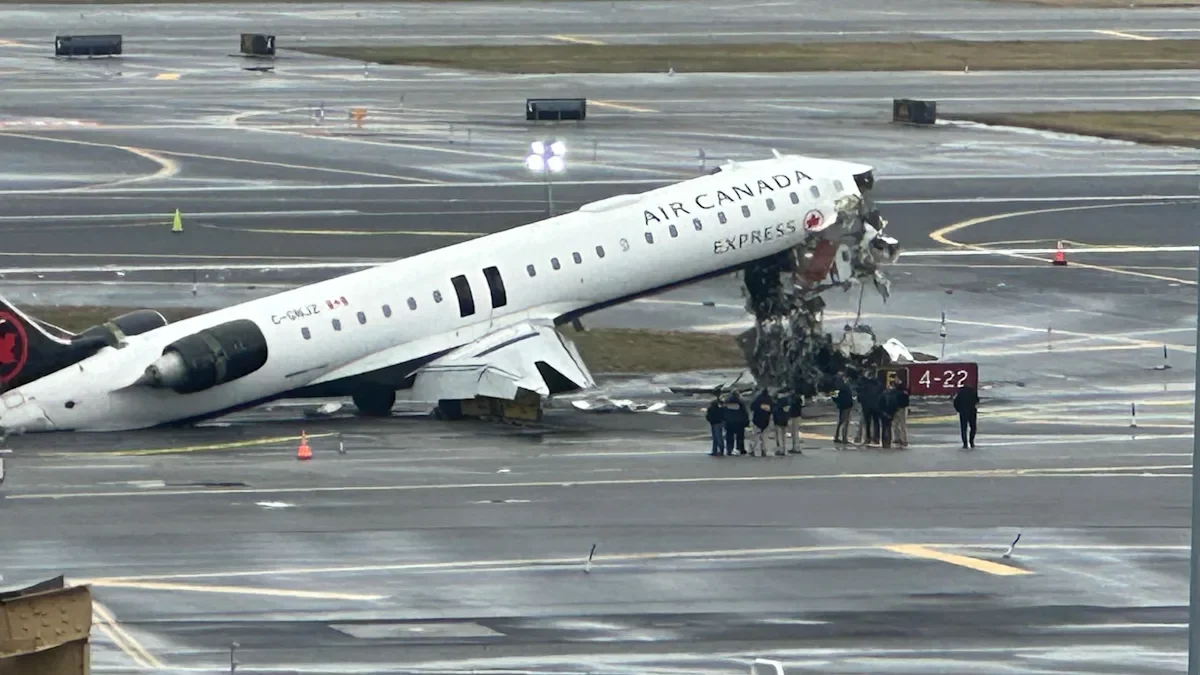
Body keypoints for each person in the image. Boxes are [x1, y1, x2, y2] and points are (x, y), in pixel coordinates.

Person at [953, 383, 979, 448]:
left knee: (964, 428)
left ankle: (965, 443)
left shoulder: (960, 393)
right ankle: (971, 441)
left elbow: (955, 403)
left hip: (963, 412)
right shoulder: (972, 392)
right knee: (973, 427)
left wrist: (959, 410)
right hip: (972, 411)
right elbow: (976, 400)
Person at [750, 389, 774, 457]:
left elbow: (752, 407)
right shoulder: (770, 400)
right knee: (764, 437)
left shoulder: (758, 399)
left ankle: (752, 450)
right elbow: (773, 409)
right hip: (766, 420)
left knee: (755, 436)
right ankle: (763, 450)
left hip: (757, 420)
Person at [724, 391, 748, 456]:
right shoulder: (740, 403)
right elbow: (744, 414)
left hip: (729, 422)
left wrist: (724, 421)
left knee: (729, 437)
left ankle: (729, 450)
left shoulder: (727, 403)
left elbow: (724, 412)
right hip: (739, 423)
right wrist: (746, 422)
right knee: (740, 437)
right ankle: (740, 449)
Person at [833, 373, 854, 444]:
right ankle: (844, 438)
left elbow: (834, 396)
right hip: (847, 405)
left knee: (840, 422)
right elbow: (848, 396)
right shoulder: (845, 386)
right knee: (845, 422)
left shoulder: (837, 386)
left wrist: (838, 402)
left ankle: (836, 437)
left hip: (841, 405)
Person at [771, 392, 791, 456]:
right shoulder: (787, 402)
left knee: (778, 436)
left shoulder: (776, 404)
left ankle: (780, 449)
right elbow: (787, 411)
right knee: (783, 436)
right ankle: (784, 449)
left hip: (778, 421)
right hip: (784, 421)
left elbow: (774, 411)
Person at [892, 381, 910, 447]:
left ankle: (898, 438)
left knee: (895, 425)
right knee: (902, 425)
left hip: (896, 409)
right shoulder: (904, 392)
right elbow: (907, 401)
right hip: (902, 409)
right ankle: (903, 440)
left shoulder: (894, 393)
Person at [786, 388, 804, 454]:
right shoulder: (798, 398)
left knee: (794, 433)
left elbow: (791, 407)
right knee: (795, 432)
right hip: (797, 416)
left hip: (794, 416)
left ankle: (796, 448)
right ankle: (795, 447)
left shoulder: (792, 398)